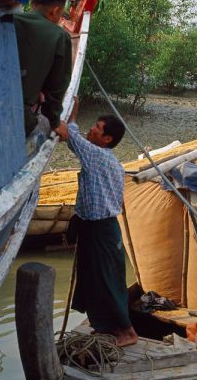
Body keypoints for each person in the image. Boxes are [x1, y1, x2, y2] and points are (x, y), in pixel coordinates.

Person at [57, 97, 138, 347]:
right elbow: (71, 134)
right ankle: (106, 327)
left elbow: (62, 131)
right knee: (95, 279)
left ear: (107, 140)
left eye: (97, 128)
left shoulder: (97, 156)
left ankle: (127, 333)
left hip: (102, 230)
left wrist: (53, 110)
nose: (92, 128)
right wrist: (73, 114)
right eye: (93, 125)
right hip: (97, 228)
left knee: (106, 280)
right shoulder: (102, 156)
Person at [14, 0, 71, 138]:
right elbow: (56, 88)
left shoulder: (10, 20)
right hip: (19, 119)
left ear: (33, 4)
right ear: (56, 11)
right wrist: (55, 122)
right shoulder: (60, 36)